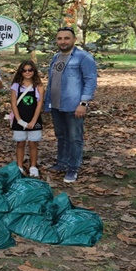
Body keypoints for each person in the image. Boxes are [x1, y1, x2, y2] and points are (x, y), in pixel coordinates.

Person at [44, 27, 97, 183]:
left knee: (74, 138)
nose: (63, 41)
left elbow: (90, 80)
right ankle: (62, 162)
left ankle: (73, 168)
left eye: (66, 38)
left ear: (74, 40)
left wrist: (83, 103)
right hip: (56, 105)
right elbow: (52, 81)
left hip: (74, 105)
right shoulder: (56, 57)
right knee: (61, 136)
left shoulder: (83, 57)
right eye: (59, 38)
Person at [10, 60, 44, 177]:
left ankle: (33, 166)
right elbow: (14, 104)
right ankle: (19, 166)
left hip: (34, 119)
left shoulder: (38, 86)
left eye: (30, 70)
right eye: (24, 70)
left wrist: (34, 121)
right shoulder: (16, 86)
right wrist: (19, 120)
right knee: (20, 143)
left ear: (34, 71)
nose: (27, 72)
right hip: (20, 119)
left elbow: (39, 104)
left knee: (33, 143)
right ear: (21, 72)